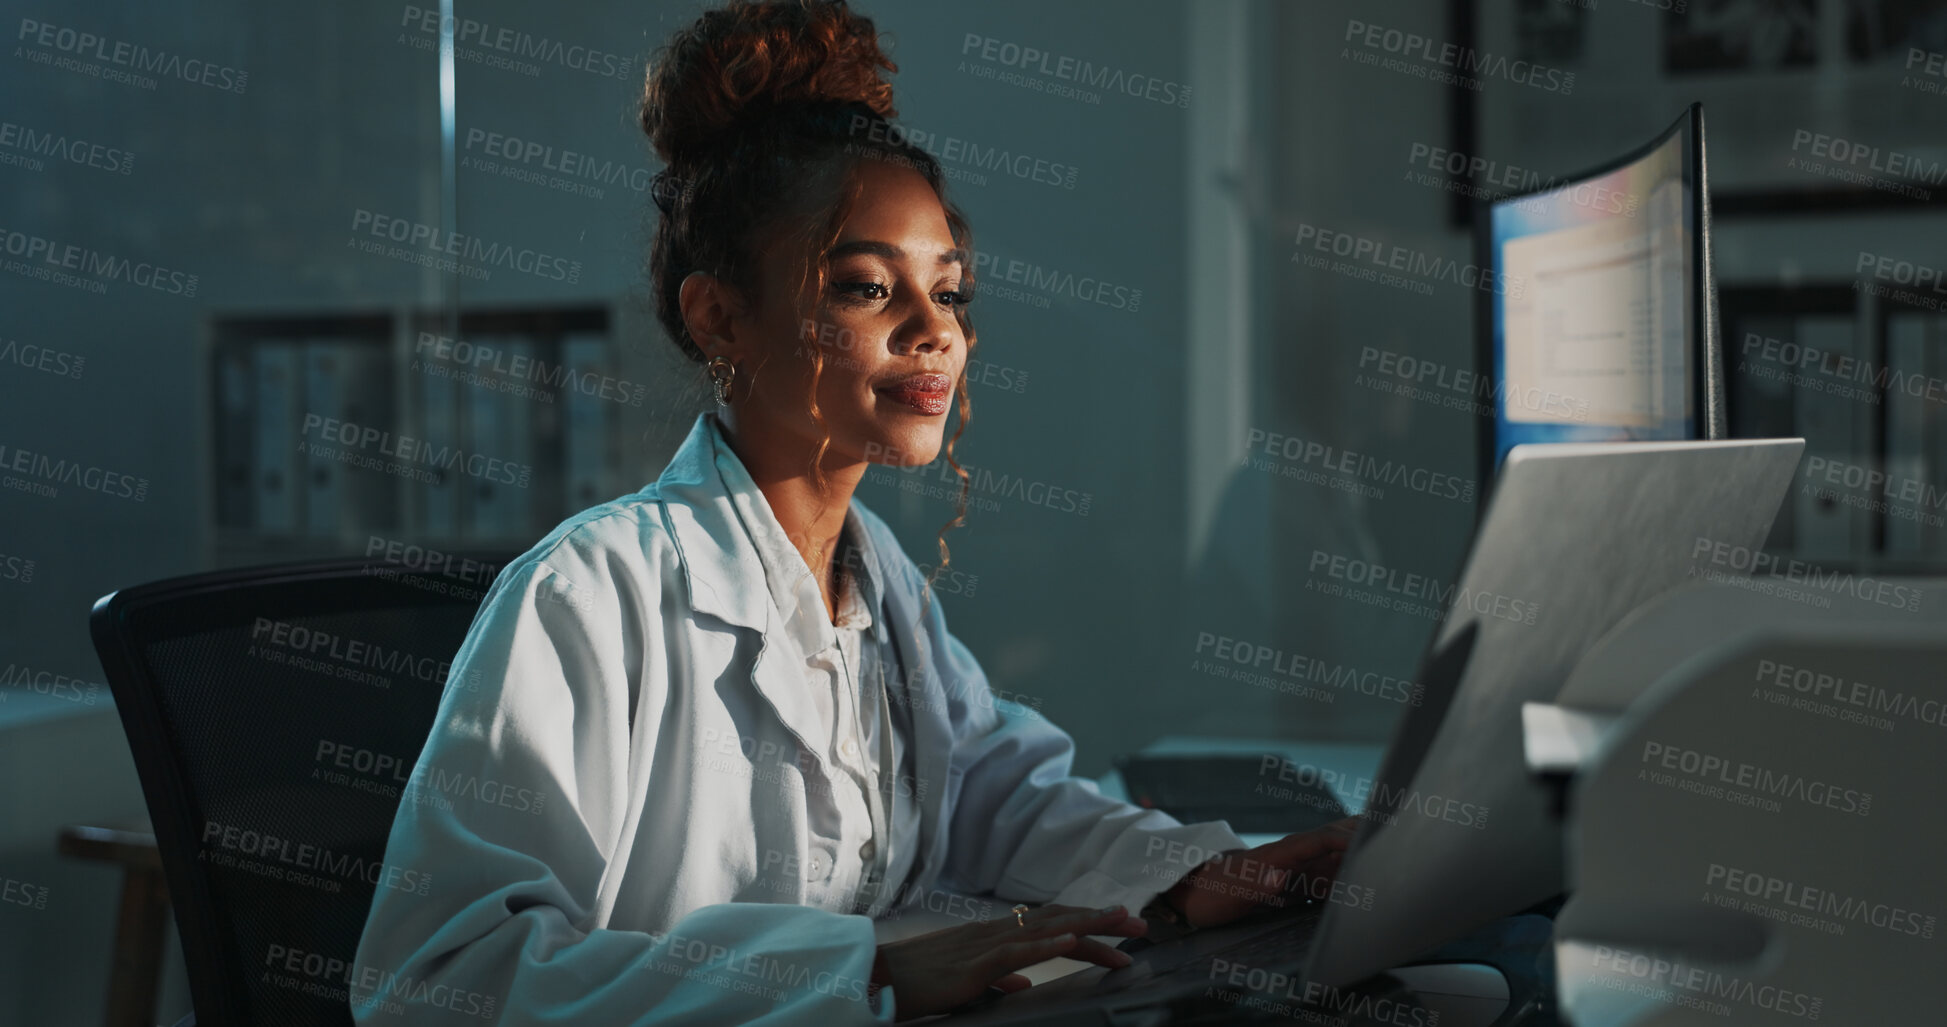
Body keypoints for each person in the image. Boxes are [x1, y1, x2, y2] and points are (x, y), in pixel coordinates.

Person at [351, 1, 1353, 1022]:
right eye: (869, 288)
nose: (935, 333)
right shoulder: (588, 596)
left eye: (950, 293)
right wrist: (854, 972)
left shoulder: (878, 585)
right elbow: (436, 982)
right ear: (721, 314)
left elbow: (990, 802)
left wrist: (1195, 876)